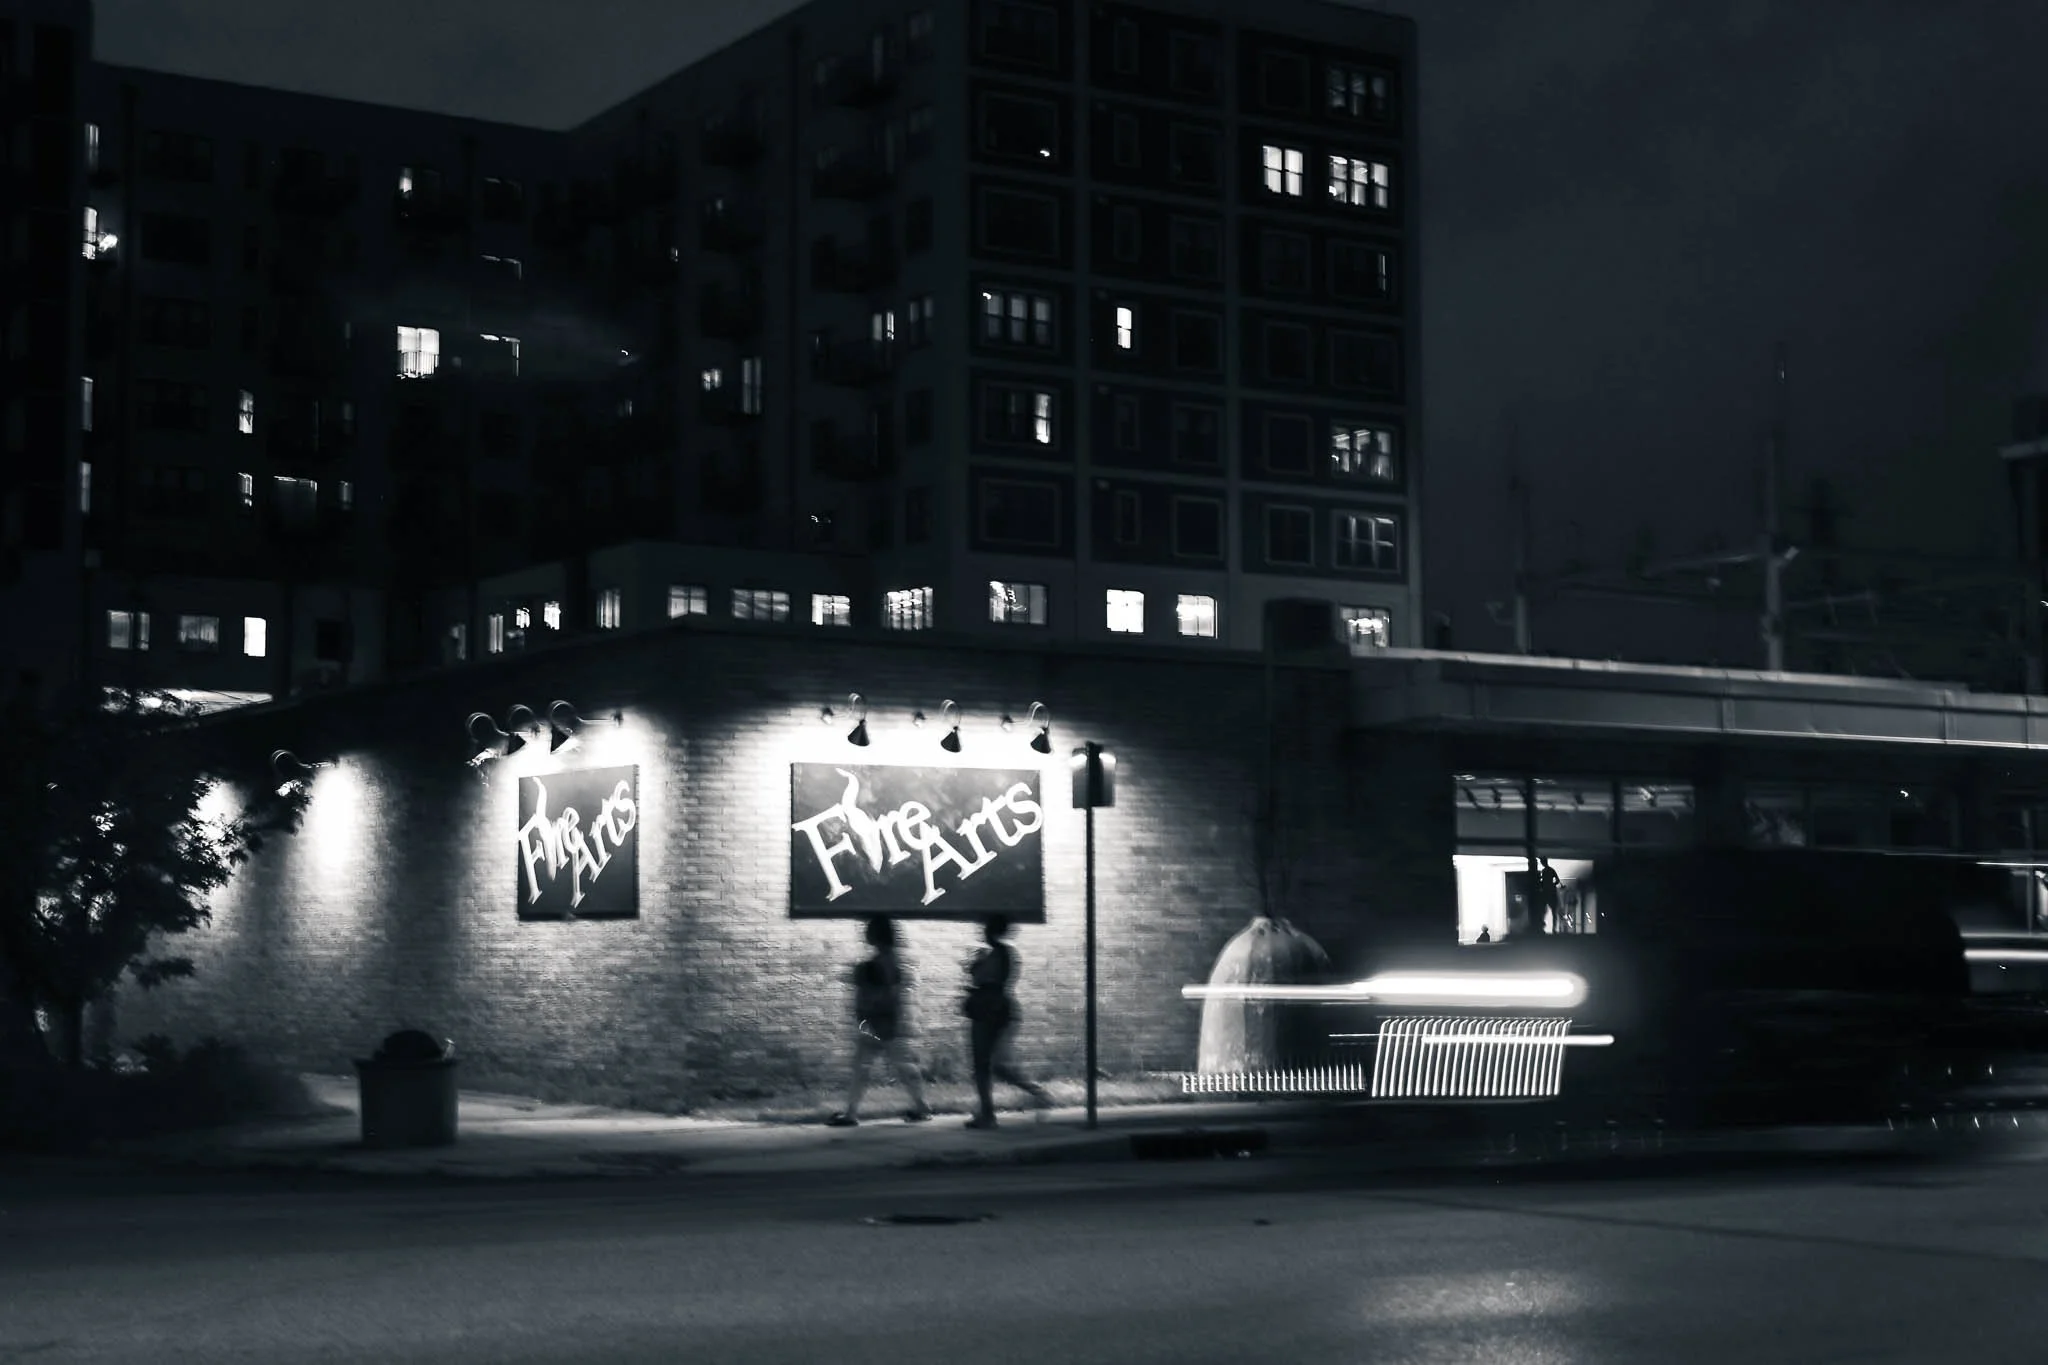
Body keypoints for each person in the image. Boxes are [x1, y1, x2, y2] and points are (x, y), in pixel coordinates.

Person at [827, 917, 932, 1127]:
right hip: (887, 1021)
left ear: (876, 935)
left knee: (866, 1067)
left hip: (881, 1021)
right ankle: (921, 1107)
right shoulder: (893, 960)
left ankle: (851, 1113)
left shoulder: (884, 962)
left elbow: (887, 992)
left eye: (869, 931)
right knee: (899, 1065)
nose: (865, 934)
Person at [961, 915, 1053, 1129]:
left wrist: (976, 967)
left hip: (990, 1010)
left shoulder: (1000, 953)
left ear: (992, 931)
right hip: (995, 1009)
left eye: (985, 928)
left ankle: (994, 1111)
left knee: (987, 1065)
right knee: (991, 1066)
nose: (982, 932)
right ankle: (992, 1110)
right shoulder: (1002, 953)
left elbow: (986, 979)